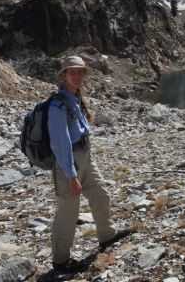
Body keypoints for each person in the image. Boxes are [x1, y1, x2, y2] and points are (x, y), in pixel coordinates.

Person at [48, 55, 132, 273]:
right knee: (68, 212)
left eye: (79, 72)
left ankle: (107, 236)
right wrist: (71, 174)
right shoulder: (57, 105)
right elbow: (60, 142)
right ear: (64, 75)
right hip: (70, 163)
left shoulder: (75, 98)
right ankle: (60, 261)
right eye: (72, 72)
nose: (76, 76)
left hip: (85, 157)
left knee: (101, 194)